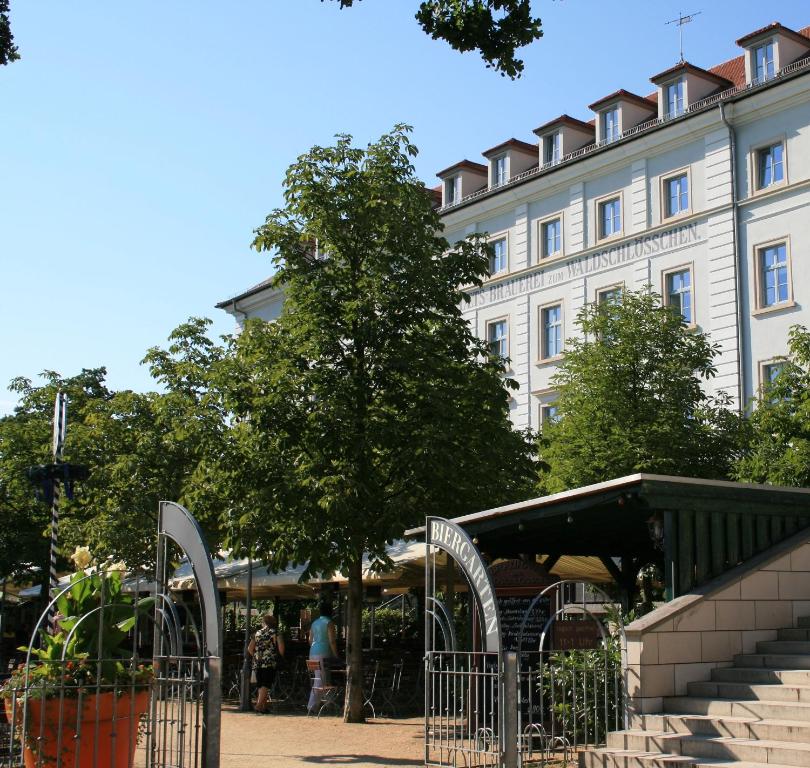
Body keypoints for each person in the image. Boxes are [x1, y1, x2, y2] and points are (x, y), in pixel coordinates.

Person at [248, 613, 285, 714]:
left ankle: (263, 707)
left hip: (257, 662)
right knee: (266, 683)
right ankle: (259, 705)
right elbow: (281, 648)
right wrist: (281, 657)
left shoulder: (257, 633)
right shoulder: (276, 632)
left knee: (260, 684)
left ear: (264, 622)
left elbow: (250, 649)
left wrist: (256, 656)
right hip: (269, 661)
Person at [307, 600, 338, 714]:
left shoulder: (314, 622)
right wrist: (336, 655)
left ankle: (329, 703)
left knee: (320, 677)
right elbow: (332, 641)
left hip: (313, 651)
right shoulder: (329, 623)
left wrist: (315, 647)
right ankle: (312, 706)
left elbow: (310, 640)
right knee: (321, 679)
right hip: (324, 652)